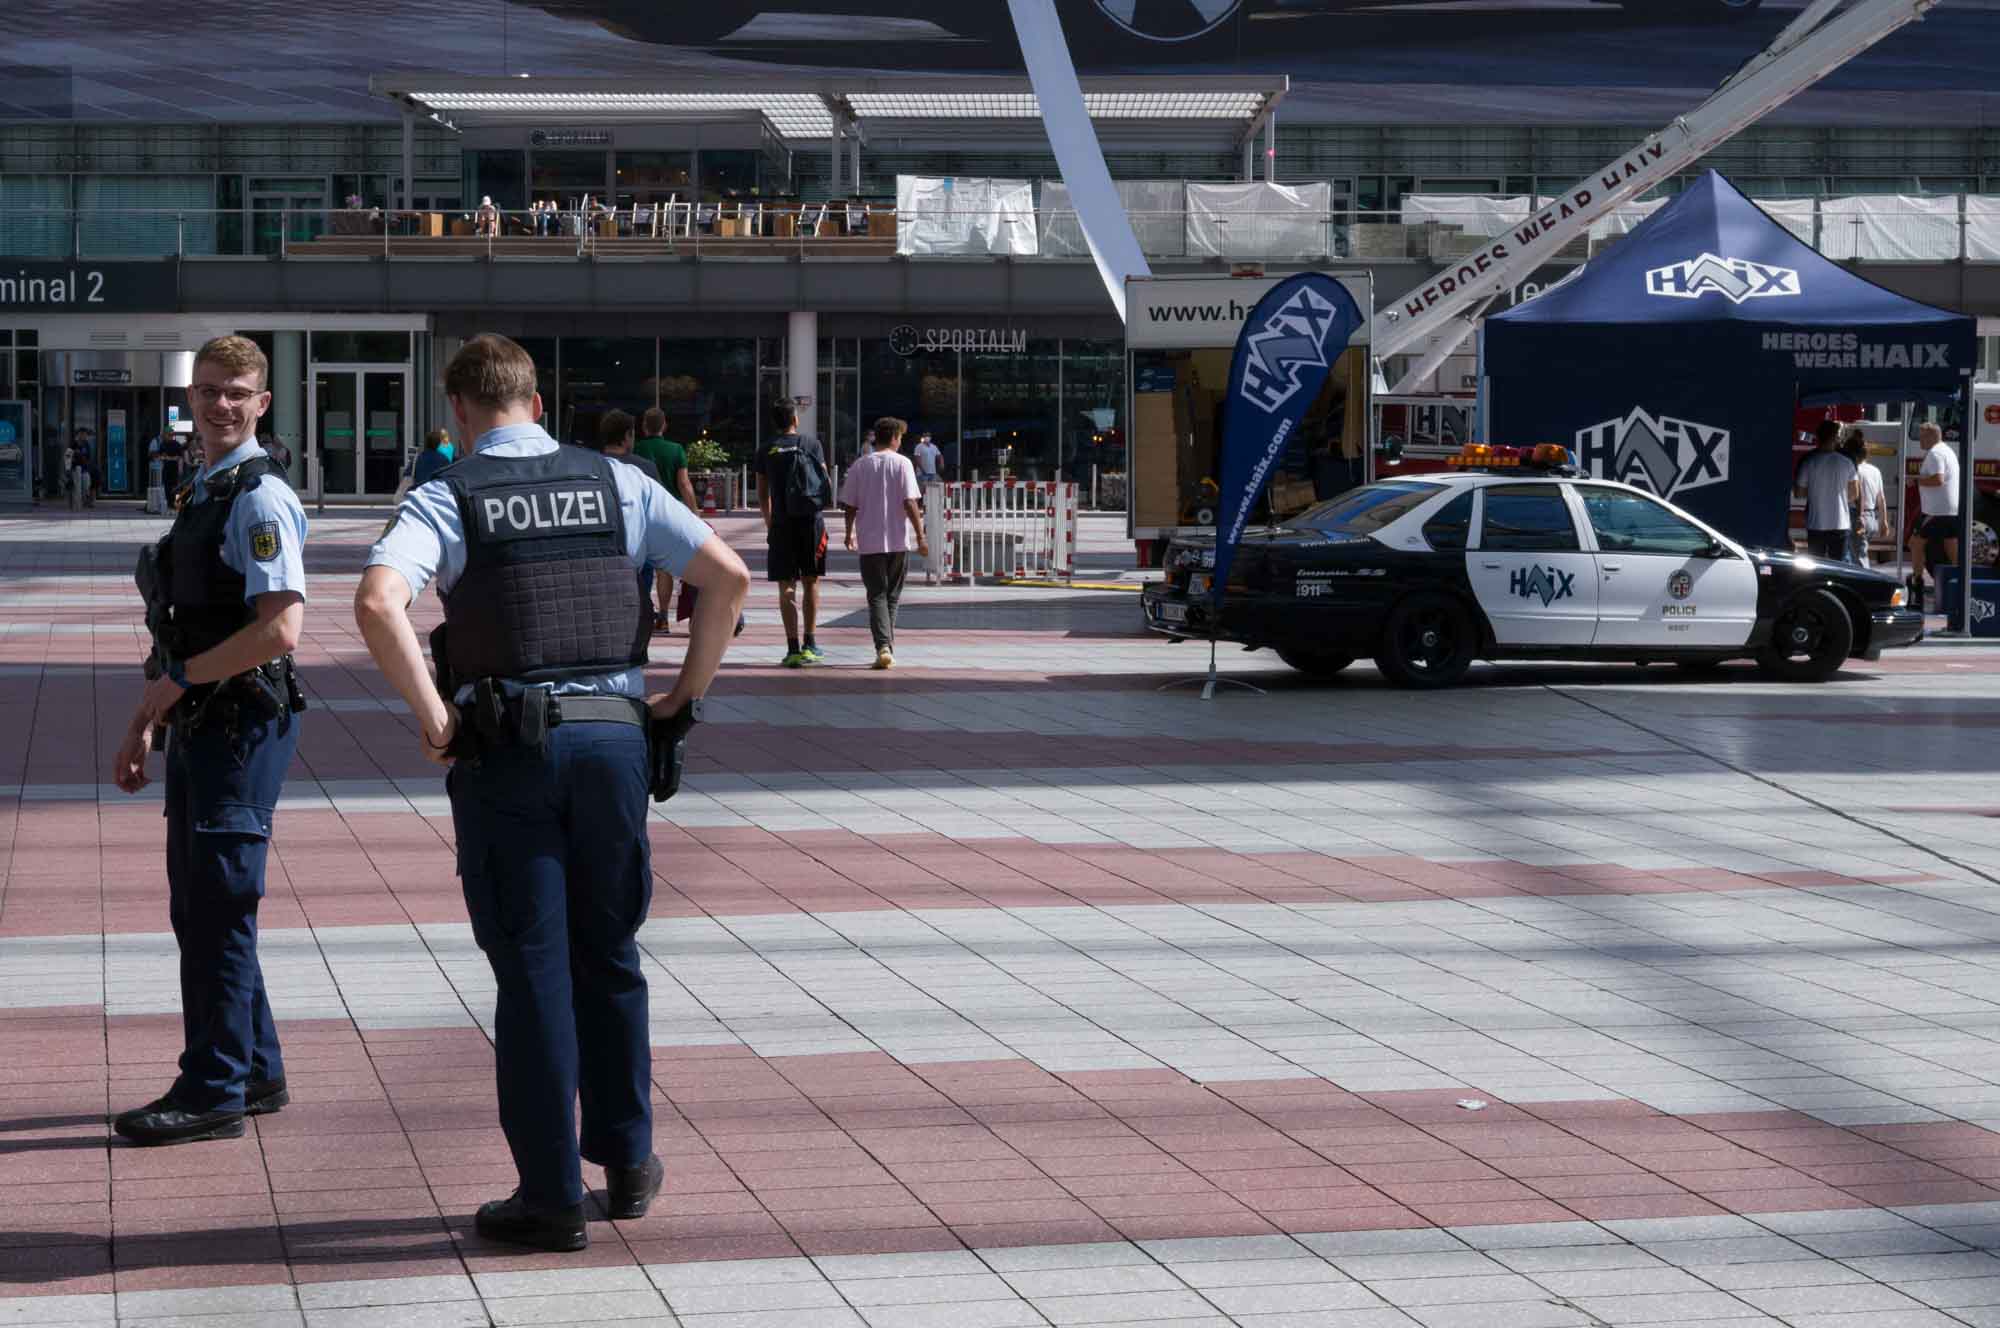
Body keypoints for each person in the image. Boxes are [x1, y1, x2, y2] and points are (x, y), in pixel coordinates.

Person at [354, 334, 749, 1252]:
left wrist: (431, 714)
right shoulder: (617, 482)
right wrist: (681, 701)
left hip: (509, 756)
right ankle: (628, 1162)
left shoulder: (447, 496)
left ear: (458, 411)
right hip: (615, 742)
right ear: (536, 401)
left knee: (533, 970)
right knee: (608, 952)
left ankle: (549, 1194)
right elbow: (727, 580)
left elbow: (379, 602)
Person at [108, 335, 309, 1146]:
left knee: (217, 906)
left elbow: (281, 629)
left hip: (238, 726)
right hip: (204, 723)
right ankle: (253, 1068)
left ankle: (212, 1089)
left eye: (238, 393)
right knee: (203, 906)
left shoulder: (258, 499)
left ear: (263, 403)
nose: (221, 405)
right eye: (209, 391)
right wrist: (146, 719)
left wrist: (179, 685)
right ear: (190, 397)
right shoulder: (208, 488)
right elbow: (181, 627)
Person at [839, 416, 929, 670]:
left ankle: (883, 646)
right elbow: (910, 502)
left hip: (869, 542)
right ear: (894, 437)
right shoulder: (903, 464)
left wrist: (849, 533)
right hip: (898, 542)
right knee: (891, 597)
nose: (901, 442)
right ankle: (886, 646)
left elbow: (850, 505)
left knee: (876, 595)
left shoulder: (859, 466)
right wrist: (920, 536)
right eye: (900, 437)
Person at [761, 401, 830, 668]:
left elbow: (764, 495)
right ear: (795, 419)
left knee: (785, 584)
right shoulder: (811, 445)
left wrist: (770, 525)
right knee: (811, 581)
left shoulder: (766, 449)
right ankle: (810, 644)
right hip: (811, 522)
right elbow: (825, 482)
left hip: (781, 524)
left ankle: (791, 648)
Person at [632, 408, 698, 634]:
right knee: (664, 570)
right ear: (664, 426)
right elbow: (684, 484)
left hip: (641, 513)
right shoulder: (675, 450)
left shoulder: (636, 449)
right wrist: (694, 512)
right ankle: (663, 616)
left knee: (640, 567)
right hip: (669, 514)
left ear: (644, 426)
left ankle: (641, 612)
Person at [1909, 420, 1961, 613]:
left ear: (1931, 436)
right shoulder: (1947, 451)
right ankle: (1960, 581)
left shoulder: (1935, 453)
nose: (1920, 440)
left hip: (1936, 511)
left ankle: (1917, 582)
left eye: (1921, 436)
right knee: (1951, 545)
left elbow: (1938, 479)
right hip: (1950, 509)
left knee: (1915, 543)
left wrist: (1915, 480)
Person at [1794, 418, 1859, 561]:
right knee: (1839, 566)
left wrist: (1818, 493)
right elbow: (1854, 494)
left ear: (1818, 437)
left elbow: (1798, 493)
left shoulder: (1808, 462)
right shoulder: (1847, 463)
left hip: (1816, 523)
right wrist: (1837, 496)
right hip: (1840, 523)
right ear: (1836, 437)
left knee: (1817, 566)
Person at [1843, 428, 1886, 568]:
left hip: (1857, 517)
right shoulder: (1875, 471)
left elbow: (1855, 495)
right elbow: (1881, 498)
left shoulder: (1853, 470)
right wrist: (1883, 521)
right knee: (1856, 553)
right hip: (1872, 517)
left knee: (1859, 557)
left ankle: (1865, 586)